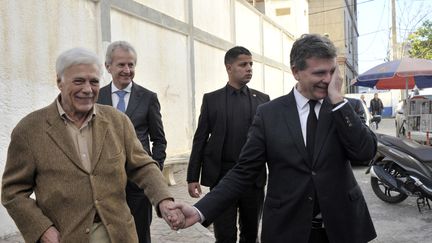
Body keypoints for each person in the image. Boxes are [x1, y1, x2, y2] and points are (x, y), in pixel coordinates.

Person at [173, 34, 377, 243]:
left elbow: (365, 153)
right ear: (296, 72)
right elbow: (244, 171)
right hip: (288, 230)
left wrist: (339, 103)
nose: (327, 79)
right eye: (319, 73)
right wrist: (200, 211)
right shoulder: (269, 114)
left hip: (342, 230)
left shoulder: (344, 109)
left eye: (332, 71)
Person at [1, 47, 183, 243]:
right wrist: (43, 230)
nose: (87, 89)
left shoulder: (117, 121)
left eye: (94, 81)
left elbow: (143, 166)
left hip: (120, 235)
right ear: (59, 82)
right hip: (65, 237)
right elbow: (13, 192)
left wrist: (163, 200)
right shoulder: (30, 129)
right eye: (78, 81)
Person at [187, 46, 270, 243]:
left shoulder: (263, 101)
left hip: (253, 178)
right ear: (229, 67)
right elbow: (200, 139)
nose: (249, 68)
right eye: (243, 64)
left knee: (250, 233)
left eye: (251, 64)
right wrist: (192, 176)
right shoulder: (212, 100)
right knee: (224, 235)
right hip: (221, 177)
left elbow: (271, 141)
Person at [97, 41, 167, 243]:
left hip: (139, 183)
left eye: (131, 65)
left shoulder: (148, 98)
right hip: (105, 183)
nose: (127, 70)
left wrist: (154, 169)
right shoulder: (96, 97)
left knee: (140, 234)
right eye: (121, 65)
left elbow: (159, 140)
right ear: (108, 67)